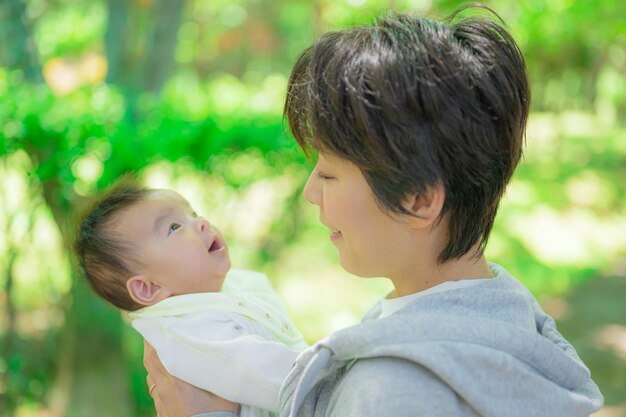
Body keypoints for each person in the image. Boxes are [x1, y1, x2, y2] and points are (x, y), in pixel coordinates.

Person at [142, 7, 604, 417]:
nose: (309, 192)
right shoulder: (509, 315)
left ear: (418, 199)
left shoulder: (389, 391)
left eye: (328, 175)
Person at [74, 182, 308, 417]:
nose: (201, 223)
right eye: (174, 227)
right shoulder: (184, 331)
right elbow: (273, 375)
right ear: (149, 288)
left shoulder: (224, 289)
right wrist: (331, 374)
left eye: (193, 214)